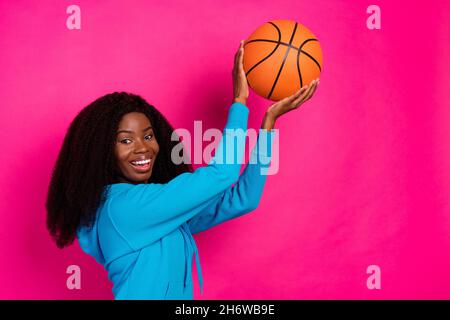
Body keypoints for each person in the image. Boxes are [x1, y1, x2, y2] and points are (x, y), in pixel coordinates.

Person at [45, 40, 319, 300]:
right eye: (126, 140)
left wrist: (268, 124)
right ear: (102, 150)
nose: (143, 148)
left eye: (149, 136)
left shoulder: (160, 212)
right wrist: (239, 102)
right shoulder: (122, 208)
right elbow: (222, 174)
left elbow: (243, 199)